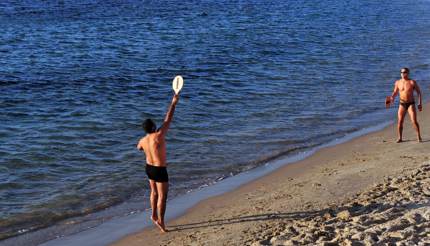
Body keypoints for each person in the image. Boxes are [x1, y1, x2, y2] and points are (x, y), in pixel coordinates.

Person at [137, 93, 179, 233]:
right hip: (160, 170)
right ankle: (160, 221)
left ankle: (153, 214)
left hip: (149, 168)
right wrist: (173, 103)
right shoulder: (159, 135)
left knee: (153, 192)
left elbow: (138, 148)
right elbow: (168, 119)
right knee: (163, 196)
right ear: (154, 126)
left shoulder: (142, 140)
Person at [388, 67, 422, 143]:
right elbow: (395, 92)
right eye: (401, 72)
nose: (403, 74)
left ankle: (418, 136)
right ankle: (400, 138)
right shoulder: (397, 82)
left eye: (405, 72)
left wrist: (420, 103)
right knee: (400, 121)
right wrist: (392, 97)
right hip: (402, 103)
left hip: (411, 104)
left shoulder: (412, 82)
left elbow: (419, 93)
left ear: (408, 73)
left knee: (414, 121)